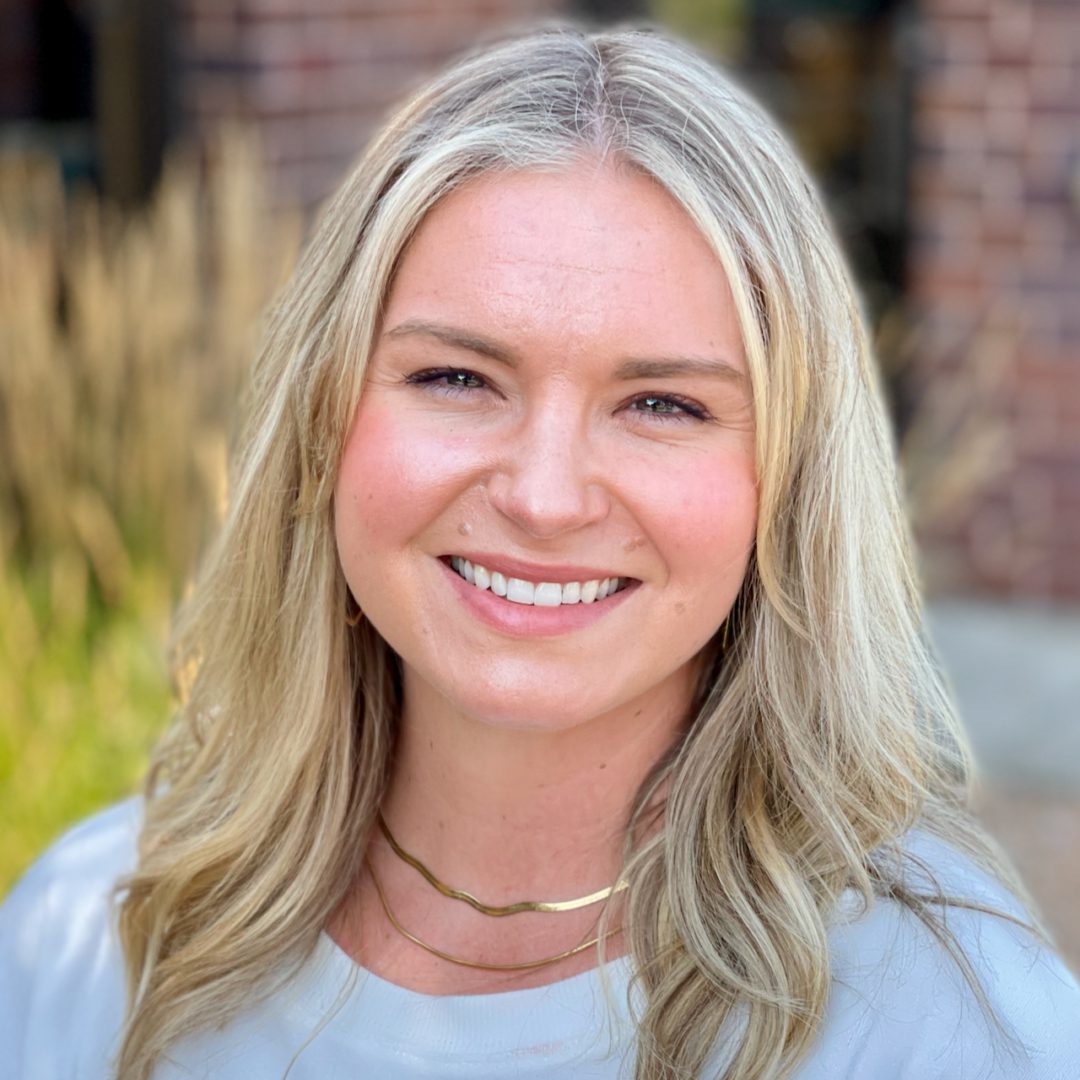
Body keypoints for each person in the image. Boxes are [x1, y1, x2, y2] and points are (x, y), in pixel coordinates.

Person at [2, 23, 1079, 1080]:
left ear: (787, 484)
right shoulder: (95, 933)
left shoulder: (951, 1021)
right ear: (322, 425)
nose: (545, 495)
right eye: (457, 380)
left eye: (661, 402)